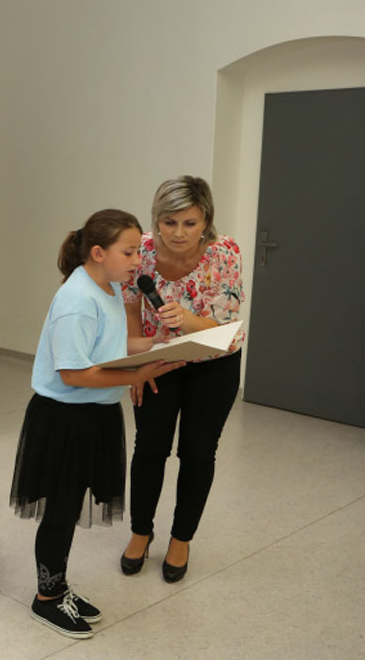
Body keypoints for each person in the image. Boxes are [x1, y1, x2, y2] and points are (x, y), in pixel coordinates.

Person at [10, 209, 183, 639]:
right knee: (60, 512)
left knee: (69, 508)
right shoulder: (77, 300)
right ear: (99, 252)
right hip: (65, 420)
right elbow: (73, 373)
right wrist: (139, 374)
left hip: (94, 415)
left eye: (138, 252)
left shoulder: (107, 288)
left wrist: (155, 343)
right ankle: (46, 598)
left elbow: (110, 342)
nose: (137, 261)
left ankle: (58, 587)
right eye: (129, 252)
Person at [120, 176, 244, 582]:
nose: (177, 233)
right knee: (148, 448)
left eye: (189, 223)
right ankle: (141, 532)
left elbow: (225, 323)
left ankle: (181, 539)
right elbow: (131, 307)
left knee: (198, 453)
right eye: (168, 222)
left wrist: (187, 320)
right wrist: (135, 366)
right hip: (159, 361)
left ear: (206, 220)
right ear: (156, 219)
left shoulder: (225, 252)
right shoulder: (142, 251)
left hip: (214, 361)